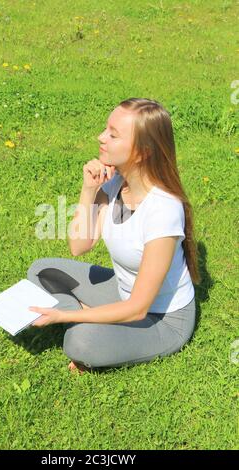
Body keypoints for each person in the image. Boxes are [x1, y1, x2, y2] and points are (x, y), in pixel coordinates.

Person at [27, 98, 201, 374]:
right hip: (122, 292)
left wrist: (64, 315)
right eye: (105, 129)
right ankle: (97, 321)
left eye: (113, 134)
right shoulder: (115, 182)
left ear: (142, 152)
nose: (101, 137)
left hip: (161, 319)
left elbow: (138, 309)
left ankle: (89, 326)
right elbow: (79, 246)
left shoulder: (163, 211)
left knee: (80, 342)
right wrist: (88, 190)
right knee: (41, 271)